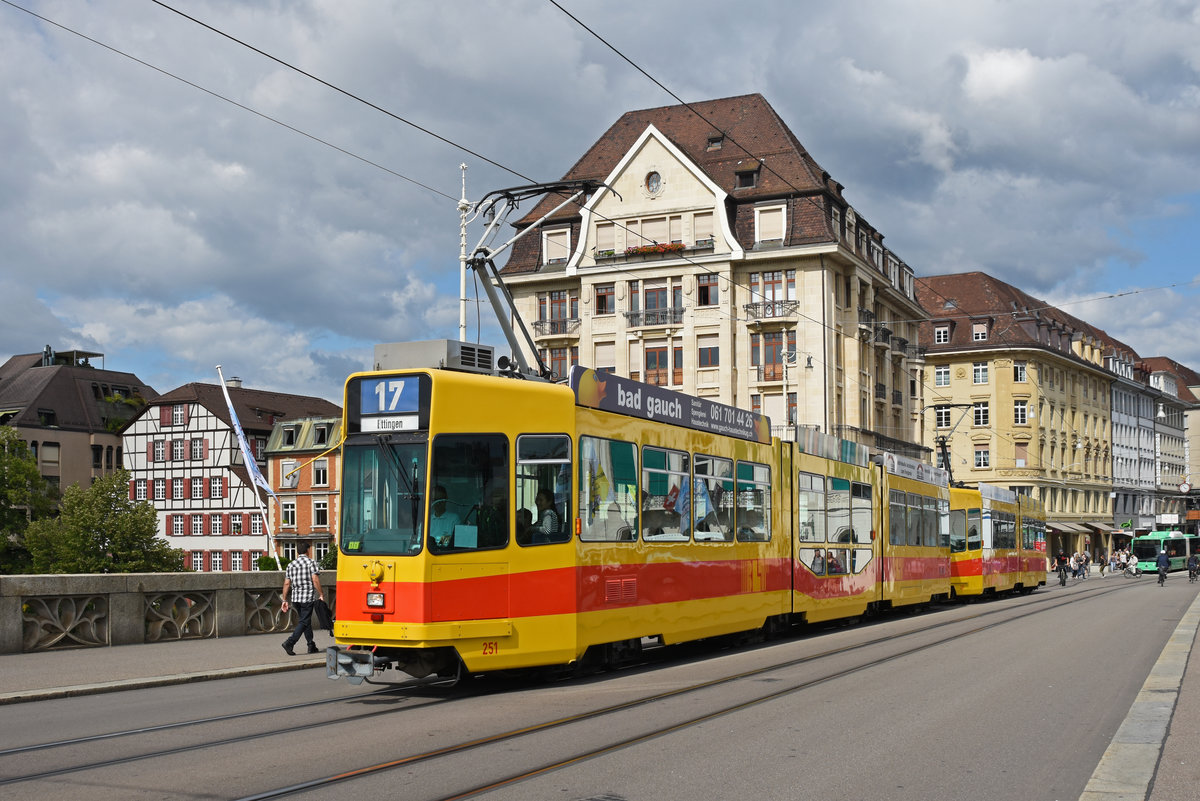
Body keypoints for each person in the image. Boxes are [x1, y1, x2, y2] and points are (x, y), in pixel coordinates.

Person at [281, 541, 324, 655]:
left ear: (297, 552)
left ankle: (311, 645)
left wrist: (284, 600)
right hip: (307, 598)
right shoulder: (311, 562)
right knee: (304, 621)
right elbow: (315, 579)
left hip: (296, 599)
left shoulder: (291, 565)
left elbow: (286, 583)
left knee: (305, 621)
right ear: (308, 550)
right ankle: (290, 642)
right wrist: (321, 594)